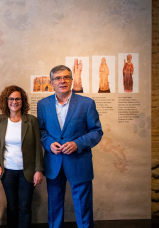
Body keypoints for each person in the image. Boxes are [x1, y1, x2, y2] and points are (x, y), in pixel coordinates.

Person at [37, 65, 103, 228]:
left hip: (79, 162)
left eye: (66, 77)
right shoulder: (43, 105)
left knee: (83, 208)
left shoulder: (87, 103)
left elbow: (97, 132)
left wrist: (77, 144)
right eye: (58, 78)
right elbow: (41, 131)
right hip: (54, 163)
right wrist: (49, 143)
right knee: (54, 208)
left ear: (72, 80)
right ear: (51, 82)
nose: (62, 81)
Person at [0, 85, 44, 228]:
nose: (14, 102)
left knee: (25, 207)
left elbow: (38, 147)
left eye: (18, 99)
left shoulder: (31, 121)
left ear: (23, 101)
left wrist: (39, 170)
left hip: (27, 172)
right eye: (11, 99)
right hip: (7, 171)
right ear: (6, 101)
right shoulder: (1, 120)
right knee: (12, 206)